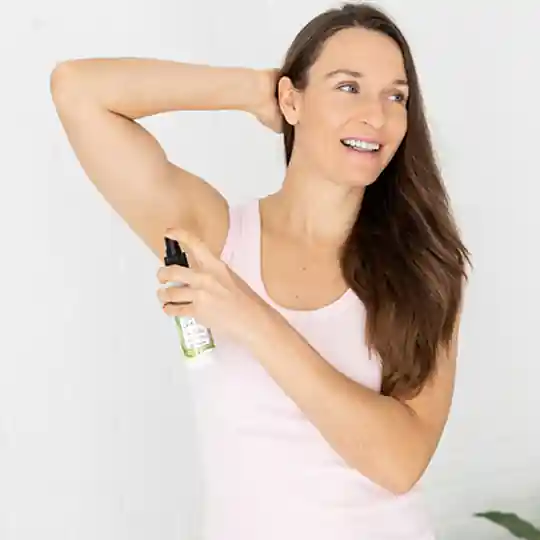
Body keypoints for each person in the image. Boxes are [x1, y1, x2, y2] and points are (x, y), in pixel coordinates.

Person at [50, 2, 470, 538]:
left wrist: (252, 319)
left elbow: (399, 462)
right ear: (292, 100)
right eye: (348, 87)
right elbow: (77, 89)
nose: (377, 115)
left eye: (396, 96)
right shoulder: (218, 239)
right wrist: (252, 90)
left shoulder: (425, 264)